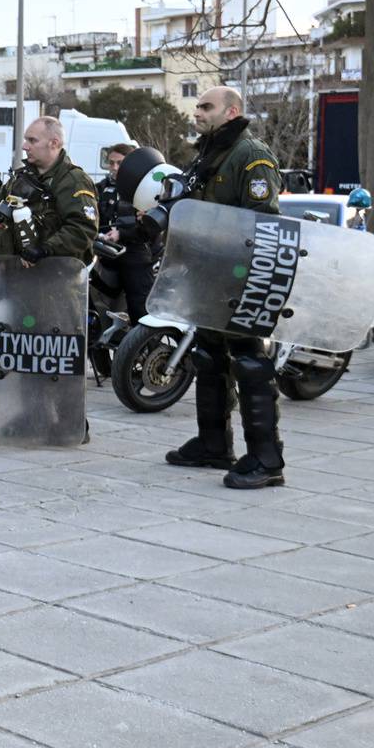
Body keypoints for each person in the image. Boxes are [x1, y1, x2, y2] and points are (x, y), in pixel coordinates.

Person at [163, 86, 287, 490]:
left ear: (231, 111)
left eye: (206, 106)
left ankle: (267, 459)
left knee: (249, 360)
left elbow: (263, 221)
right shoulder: (209, 153)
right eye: (197, 105)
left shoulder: (250, 154)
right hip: (209, 274)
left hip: (241, 276)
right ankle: (214, 444)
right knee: (208, 356)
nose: (197, 112)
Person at [0, 117, 100, 268]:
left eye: (32, 140)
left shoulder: (74, 181)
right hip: (17, 275)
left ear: (54, 143)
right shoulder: (20, 178)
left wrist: (46, 249)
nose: (25, 146)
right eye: (26, 140)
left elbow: (83, 229)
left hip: (59, 275)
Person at [98, 142, 157, 322]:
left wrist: (121, 234)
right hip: (103, 250)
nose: (114, 168)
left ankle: (144, 344)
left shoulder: (146, 189)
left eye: (120, 163)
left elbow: (150, 228)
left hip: (134, 252)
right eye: (111, 163)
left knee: (139, 305)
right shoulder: (100, 188)